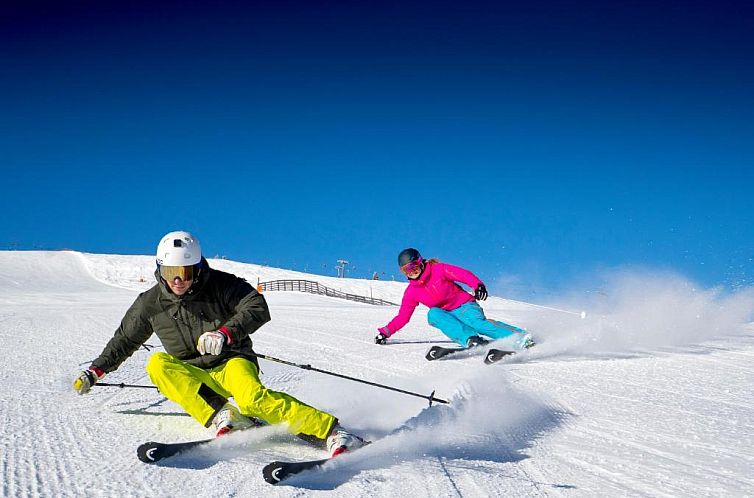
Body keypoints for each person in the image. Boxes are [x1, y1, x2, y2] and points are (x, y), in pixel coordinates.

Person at [74, 230, 365, 457]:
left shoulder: (222, 284)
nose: (178, 281)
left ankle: (332, 432)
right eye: (170, 273)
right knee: (158, 363)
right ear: (159, 269)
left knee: (253, 400)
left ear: (198, 268)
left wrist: (226, 333)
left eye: (185, 273)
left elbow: (256, 306)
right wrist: (95, 371)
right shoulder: (150, 303)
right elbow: (125, 339)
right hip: (194, 373)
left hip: (231, 361)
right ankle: (223, 415)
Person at [375, 248, 534, 350]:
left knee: (478, 323)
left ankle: (519, 338)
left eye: (414, 266)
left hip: (465, 306)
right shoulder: (412, 292)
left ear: (421, 262)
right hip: (447, 314)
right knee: (433, 314)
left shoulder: (438, 270)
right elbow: (403, 316)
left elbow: (463, 274)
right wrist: (386, 332)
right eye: (406, 270)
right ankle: (470, 340)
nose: (412, 271)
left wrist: (477, 285)